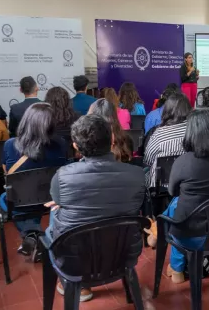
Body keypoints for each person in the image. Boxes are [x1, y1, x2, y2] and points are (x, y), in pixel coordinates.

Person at [45, 114, 145, 302]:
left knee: (54, 218)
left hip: (75, 263)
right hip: (124, 254)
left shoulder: (62, 176)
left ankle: (78, 286)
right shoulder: (137, 174)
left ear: (76, 146)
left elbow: (58, 200)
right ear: (113, 139)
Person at [163, 108, 209, 283]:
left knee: (176, 206)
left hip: (190, 236)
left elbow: (172, 192)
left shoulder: (183, 162)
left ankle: (177, 270)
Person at [1, 103, 67, 258]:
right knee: (36, 192)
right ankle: (36, 237)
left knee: (5, 198)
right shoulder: (61, 144)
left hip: (21, 204)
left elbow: (7, 174)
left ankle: (32, 234)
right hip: (53, 200)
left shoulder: (10, 145)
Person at [144, 92, 192, 187]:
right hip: (188, 185)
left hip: (160, 188)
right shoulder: (195, 131)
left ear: (167, 110)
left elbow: (147, 161)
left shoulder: (159, 133)